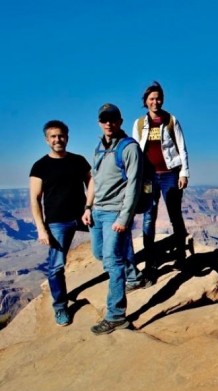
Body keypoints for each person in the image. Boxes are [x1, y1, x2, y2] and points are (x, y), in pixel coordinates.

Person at [82, 104, 143, 335]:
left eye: (113, 119)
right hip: (97, 211)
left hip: (115, 213)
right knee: (99, 254)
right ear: (99, 122)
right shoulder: (99, 148)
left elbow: (135, 185)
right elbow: (94, 181)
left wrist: (124, 218)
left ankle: (116, 315)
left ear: (120, 120)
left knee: (112, 261)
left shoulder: (129, 148)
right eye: (104, 119)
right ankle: (134, 276)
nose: (109, 123)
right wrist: (88, 207)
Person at [29, 120, 91, 326]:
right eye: (53, 136)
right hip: (57, 222)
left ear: (67, 137)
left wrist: (90, 206)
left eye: (61, 135)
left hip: (83, 216)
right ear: (47, 140)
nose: (58, 139)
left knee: (114, 236)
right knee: (56, 266)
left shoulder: (78, 160)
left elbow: (91, 181)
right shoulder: (40, 166)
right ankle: (61, 307)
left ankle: (130, 276)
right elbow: (34, 199)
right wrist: (41, 228)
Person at [132, 81, 190, 279]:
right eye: (151, 99)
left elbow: (181, 147)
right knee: (149, 216)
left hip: (170, 174)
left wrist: (184, 173)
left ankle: (181, 256)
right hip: (149, 177)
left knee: (175, 214)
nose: (155, 102)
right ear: (146, 102)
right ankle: (150, 260)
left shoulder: (171, 120)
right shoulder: (139, 124)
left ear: (162, 100)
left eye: (158, 98)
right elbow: (135, 152)